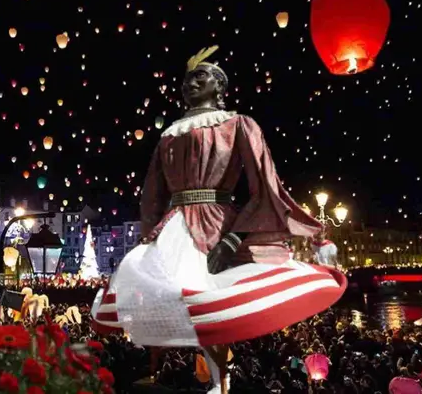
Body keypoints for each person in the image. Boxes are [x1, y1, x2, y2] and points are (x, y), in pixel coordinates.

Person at [92, 46, 347, 393]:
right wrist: (150, 234)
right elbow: (152, 193)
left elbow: (264, 186)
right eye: (187, 79)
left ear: (219, 86)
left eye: (201, 76)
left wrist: (233, 238)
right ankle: (206, 376)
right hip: (175, 227)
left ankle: (220, 380)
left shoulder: (238, 123)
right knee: (171, 294)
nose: (190, 83)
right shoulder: (168, 134)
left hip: (219, 223)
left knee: (209, 295)